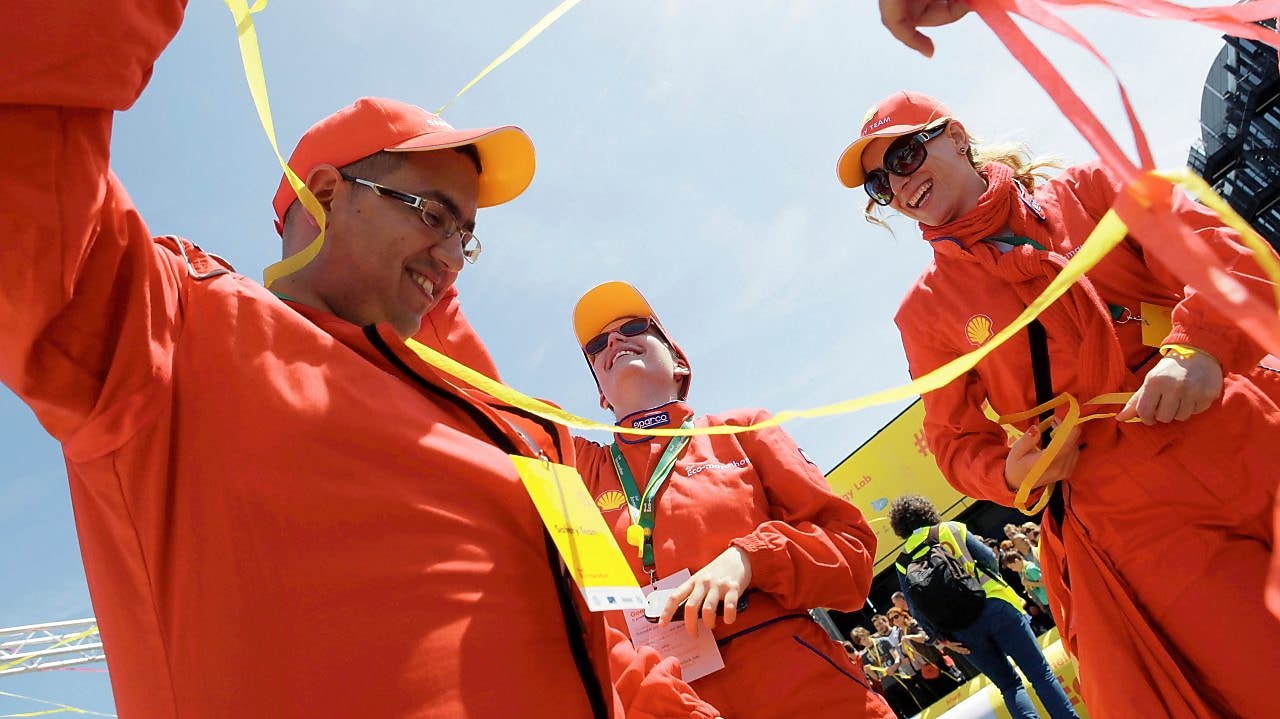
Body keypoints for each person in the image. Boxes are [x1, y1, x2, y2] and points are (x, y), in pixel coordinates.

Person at [0, 4, 722, 718]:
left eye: (465, 236)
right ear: (324, 194)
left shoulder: (513, 433)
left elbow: (601, 631)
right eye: (434, 215)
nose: (451, 257)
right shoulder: (171, 332)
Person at [837, 89, 1280, 717]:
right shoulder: (924, 313)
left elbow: (1217, 245)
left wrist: (1201, 348)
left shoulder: (1086, 187)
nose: (899, 184)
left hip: (1236, 425)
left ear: (955, 136)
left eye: (905, 154)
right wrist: (1009, 472)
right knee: (1259, 675)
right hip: (1129, 511)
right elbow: (953, 441)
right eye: (880, 182)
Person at [569, 281, 893, 719]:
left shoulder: (741, 430)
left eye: (632, 326)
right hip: (670, 702)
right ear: (602, 394)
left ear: (679, 362)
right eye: (597, 345)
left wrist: (751, 559)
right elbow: (477, 407)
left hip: (806, 690)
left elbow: (851, 558)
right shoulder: (580, 470)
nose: (615, 341)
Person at [888, 496, 1078, 719]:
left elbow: (916, 610)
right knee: (1040, 674)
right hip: (996, 606)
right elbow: (989, 558)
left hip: (962, 631)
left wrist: (942, 640)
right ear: (927, 512)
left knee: (1009, 687)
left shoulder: (902, 561)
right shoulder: (950, 529)